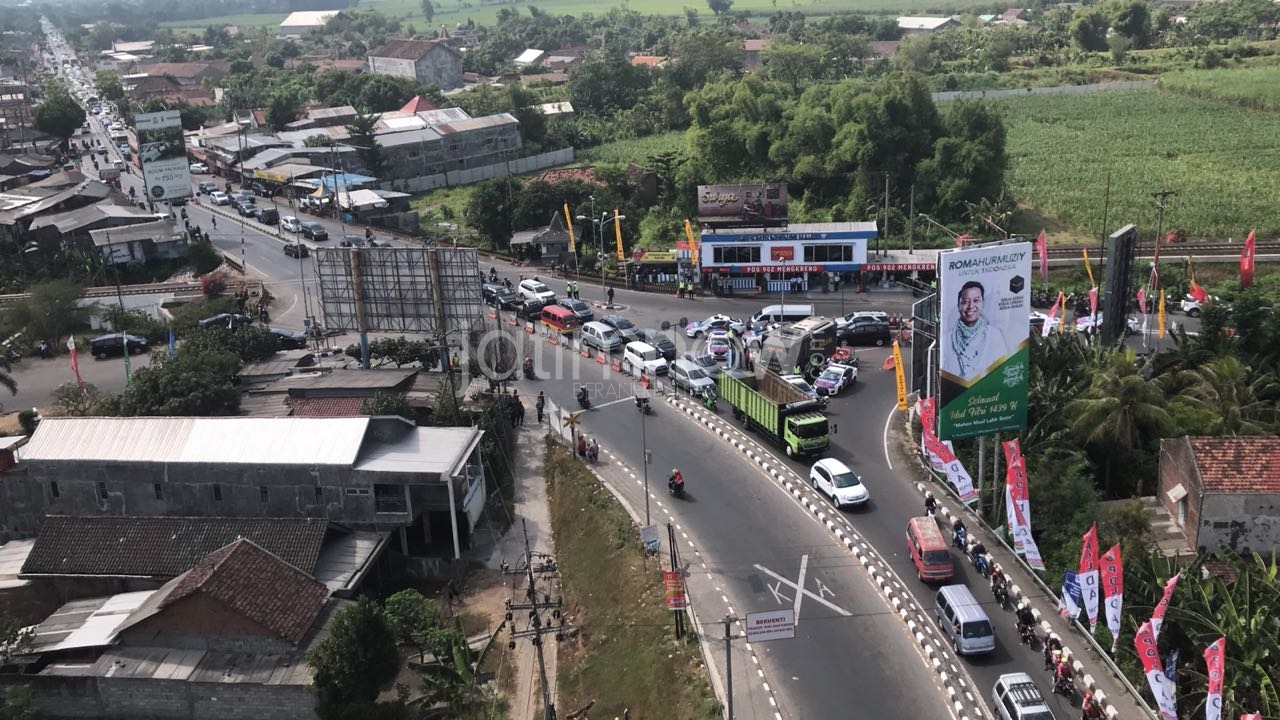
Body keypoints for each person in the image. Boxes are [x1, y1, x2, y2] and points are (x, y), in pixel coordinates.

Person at [941, 280, 1010, 381]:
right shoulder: (947, 339)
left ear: (983, 304)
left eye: (976, 300)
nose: (970, 306)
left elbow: (1003, 371)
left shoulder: (995, 336)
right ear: (958, 306)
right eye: (965, 302)